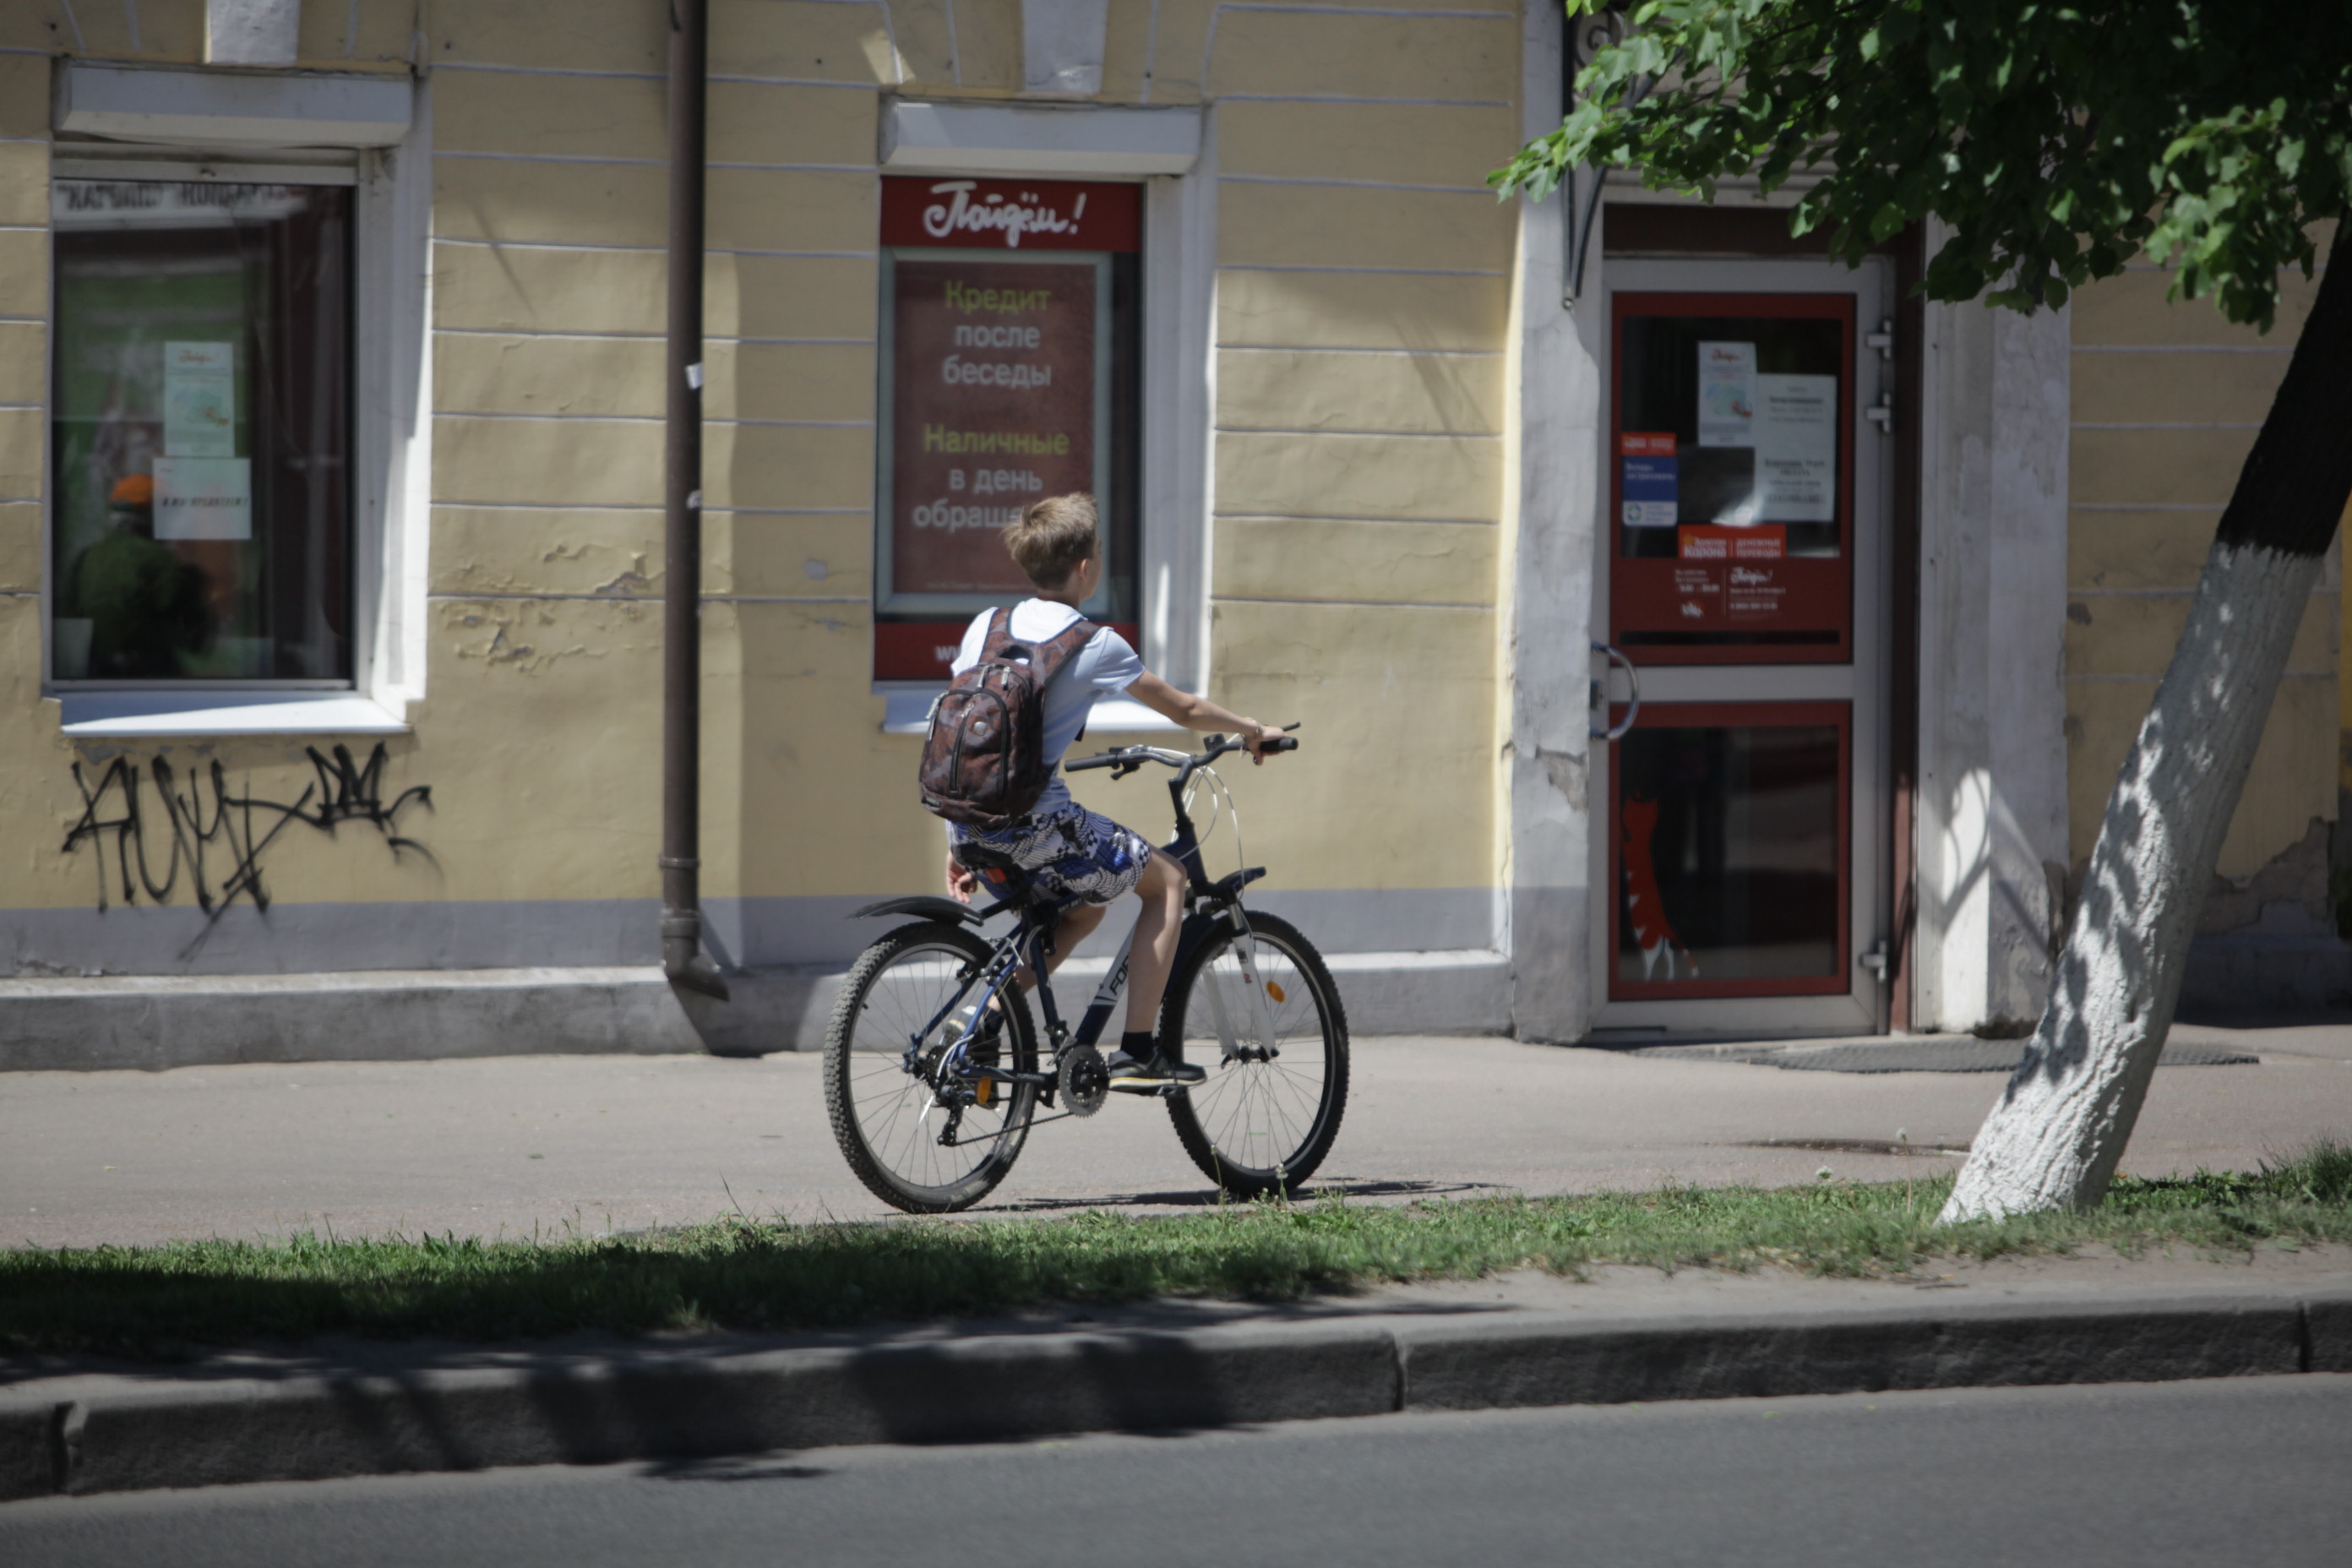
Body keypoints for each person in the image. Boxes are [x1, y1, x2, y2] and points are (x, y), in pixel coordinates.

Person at [943, 493, 1280, 1088]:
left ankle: (984, 1018)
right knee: (1170, 880)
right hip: (1036, 826)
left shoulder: (985, 627)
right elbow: (1185, 707)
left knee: (1082, 912)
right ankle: (1140, 1050)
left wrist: (960, 839)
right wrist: (1251, 730)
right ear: (1084, 568)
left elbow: (962, 737)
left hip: (968, 818)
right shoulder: (1092, 643)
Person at [66, 474, 212, 678]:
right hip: (146, 676)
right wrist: (194, 584)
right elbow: (194, 640)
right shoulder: (158, 560)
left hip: (95, 674)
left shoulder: (87, 557)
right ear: (153, 516)